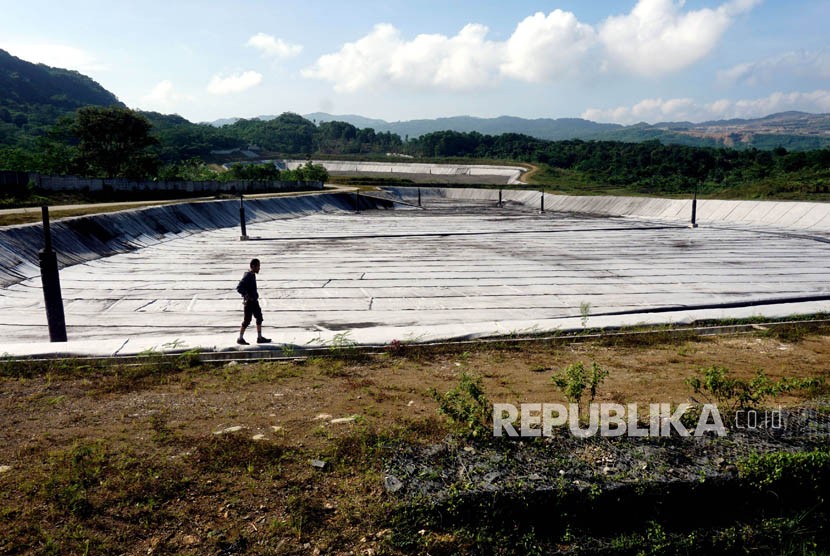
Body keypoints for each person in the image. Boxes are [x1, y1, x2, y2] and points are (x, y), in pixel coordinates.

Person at [236, 258, 271, 345]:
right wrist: (246, 295)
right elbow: (239, 287)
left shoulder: (252, 275)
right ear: (253, 266)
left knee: (259, 317)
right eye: (258, 266)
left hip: (254, 301)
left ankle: (259, 337)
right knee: (247, 320)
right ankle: (240, 338)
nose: (259, 268)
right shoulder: (247, 276)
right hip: (249, 303)